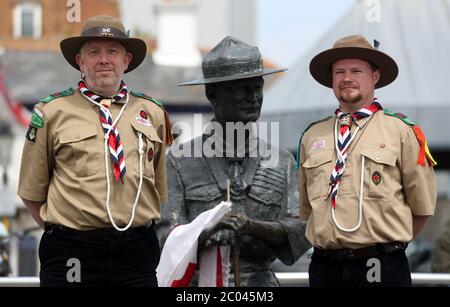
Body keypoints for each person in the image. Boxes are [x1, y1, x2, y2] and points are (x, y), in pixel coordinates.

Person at [17, 15, 172, 287]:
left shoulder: (152, 113)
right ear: (80, 61)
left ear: (126, 60)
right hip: (72, 252)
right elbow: (32, 191)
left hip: (136, 254)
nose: (104, 60)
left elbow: (157, 190)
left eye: (112, 51)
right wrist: (64, 229)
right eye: (94, 52)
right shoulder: (51, 112)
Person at [155, 36, 310, 287]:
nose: (254, 97)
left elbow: (299, 230)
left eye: (257, 87)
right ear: (212, 94)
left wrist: (252, 227)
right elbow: (165, 237)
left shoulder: (280, 161)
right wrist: (209, 232)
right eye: (242, 89)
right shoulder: (179, 161)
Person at [298, 35, 437, 287]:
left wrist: (384, 244)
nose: (346, 78)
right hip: (324, 267)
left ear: (375, 77)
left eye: (356, 71)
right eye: (339, 71)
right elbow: (307, 210)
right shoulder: (312, 135)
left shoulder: (400, 130)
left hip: (381, 266)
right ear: (331, 80)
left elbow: (423, 206)